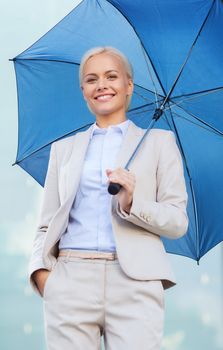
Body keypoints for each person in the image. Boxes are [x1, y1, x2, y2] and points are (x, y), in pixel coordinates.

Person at [28, 46, 189, 350]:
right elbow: (46, 222)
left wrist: (132, 203)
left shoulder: (158, 142)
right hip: (70, 279)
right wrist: (42, 275)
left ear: (129, 85)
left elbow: (177, 221)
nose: (101, 85)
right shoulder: (64, 149)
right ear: (83, 91)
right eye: (91, 79)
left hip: (135, 283)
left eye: (111, 76)